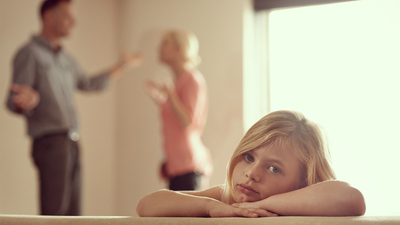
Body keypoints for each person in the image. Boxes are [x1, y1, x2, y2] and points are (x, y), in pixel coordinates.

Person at [5, 0, 142, 216]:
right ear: (49, 17)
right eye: (68, 17)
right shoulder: (29, 53)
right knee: (54, 214)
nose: (74, 23)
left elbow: (89, 83)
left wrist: (122, 65)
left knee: (74, 215)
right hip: (50, 144)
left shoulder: (66, 59)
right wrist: (24, 101)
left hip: (72, 143)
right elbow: (13, 100)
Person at [136, 110, 366, 217]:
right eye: (249, 158)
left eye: (274, 169)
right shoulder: (228, 199)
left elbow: (352, 198)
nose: (252, 174)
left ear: (304, 182)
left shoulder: (311, 204)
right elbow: (147, 205)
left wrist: (269, 204)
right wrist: (209, 206)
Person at [144, 29, 212, 191]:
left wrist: (170, 94)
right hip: (174, 167)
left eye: (165, 44)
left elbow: (188, 122)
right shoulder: (178, 82)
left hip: (188, 166)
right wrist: (161, 99)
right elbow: (174, 119)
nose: (159, 48)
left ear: (180, 50)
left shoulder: (192, 80)